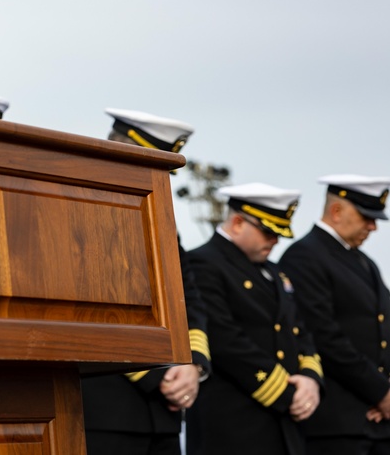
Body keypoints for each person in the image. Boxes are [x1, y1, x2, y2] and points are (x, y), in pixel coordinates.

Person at [82, 109, 211, 455]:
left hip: (164, 415)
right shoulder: (78, 210)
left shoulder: (162, 218)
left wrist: (193, 364)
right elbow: (88, 308)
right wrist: (159, 374)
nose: (162, 181)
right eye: (154, 170)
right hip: (107, 411)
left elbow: (188, 298)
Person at [186, 183, 324, 455]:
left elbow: (299, 331)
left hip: (284, 423)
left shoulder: (275, 272)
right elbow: (223, 338)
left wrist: (309, 378)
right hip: (234, 423)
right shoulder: (203, 262)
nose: (275, 241)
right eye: (269, 232)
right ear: (238, 222)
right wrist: (286, 393)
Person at [278, 175, 390, 455]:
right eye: (366, 216)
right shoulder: (304, 256)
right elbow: (323, 337)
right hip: (337, 423)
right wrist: (381, 392)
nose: (373, 226)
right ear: (337, 211)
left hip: (378, 420)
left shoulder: (365, 262)